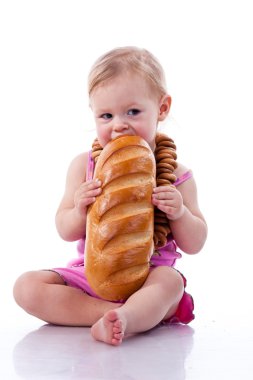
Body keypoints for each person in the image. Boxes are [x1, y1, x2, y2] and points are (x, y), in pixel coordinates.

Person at [13, 46, 207, 346]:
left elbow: (196, 243)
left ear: (162, 108)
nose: (119, 125)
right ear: (93, 114)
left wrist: (179, 213)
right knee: (26, 287)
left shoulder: (177, 175)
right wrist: (79, 209)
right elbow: (64, 229)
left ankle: (130, 317)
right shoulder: (84, 166)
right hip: (92, 276)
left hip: (150, 279)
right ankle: (114, 314)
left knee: (169, 282)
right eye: (106, 115)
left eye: (133, 112)